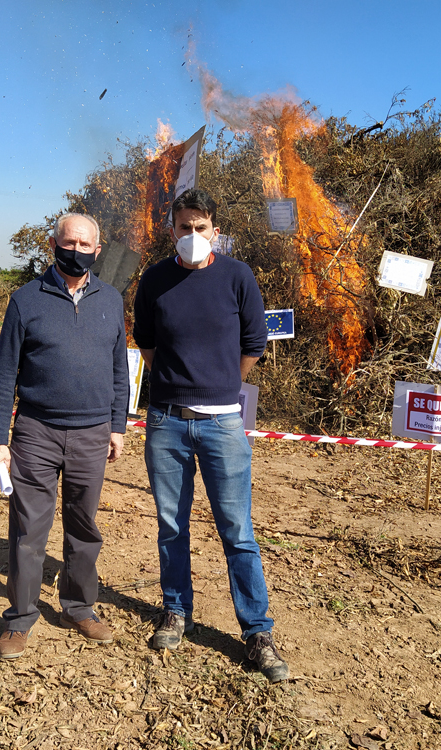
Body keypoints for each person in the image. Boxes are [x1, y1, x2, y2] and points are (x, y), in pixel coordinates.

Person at [132, 188, 289, 683]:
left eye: (201, 227)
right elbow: (147, 341)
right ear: (171, 230)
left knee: (238, 531)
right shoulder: (154, 280)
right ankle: (176, 612)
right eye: (184, 227)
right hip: (167, 422)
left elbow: (253, 342)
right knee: (171, 527)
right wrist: (176, 386)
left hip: (223, 423)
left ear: (214, 230)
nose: (192, 236)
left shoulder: (238, 277)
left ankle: (257, 632)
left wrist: (224, 387)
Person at [0, 213, 129, 659]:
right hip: (35, 433)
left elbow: (119, 371)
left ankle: (79, 607)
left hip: (92, 433)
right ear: (53, 243)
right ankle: (21, 619)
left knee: (84, 527)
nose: (76, 250)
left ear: (97, 250)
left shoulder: (111, 300)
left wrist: (118, 425)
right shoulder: (25, 300)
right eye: (69, 242)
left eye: (86, 244)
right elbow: (5, 373)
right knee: (28, 530)